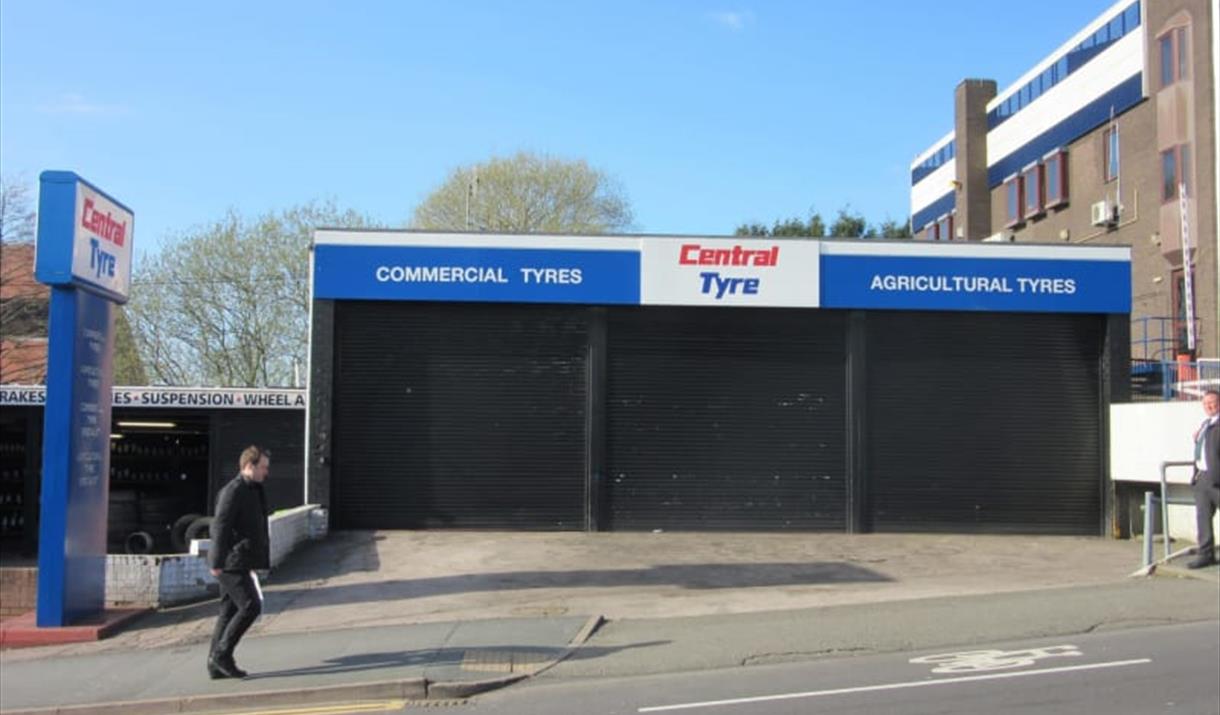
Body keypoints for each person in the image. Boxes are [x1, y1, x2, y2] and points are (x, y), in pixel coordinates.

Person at [207, 445, 271, 678]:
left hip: (239, 558)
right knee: (251, 605)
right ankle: (222, 654)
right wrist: (216, 561)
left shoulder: (252, 489)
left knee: (228, 610)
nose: (266, 472)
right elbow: (220, 526)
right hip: (231, 561)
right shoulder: (233, 491)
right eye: (263, 467)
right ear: (249, 466)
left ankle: (214, 665)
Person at [1188, 390, 1220, 569]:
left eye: (1213, 402)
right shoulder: (1205, 425)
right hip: (1202, 478)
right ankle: (1205, 554)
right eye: (1206, 403)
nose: (1210, 406)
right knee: (1203, 518)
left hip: (1217, 478)